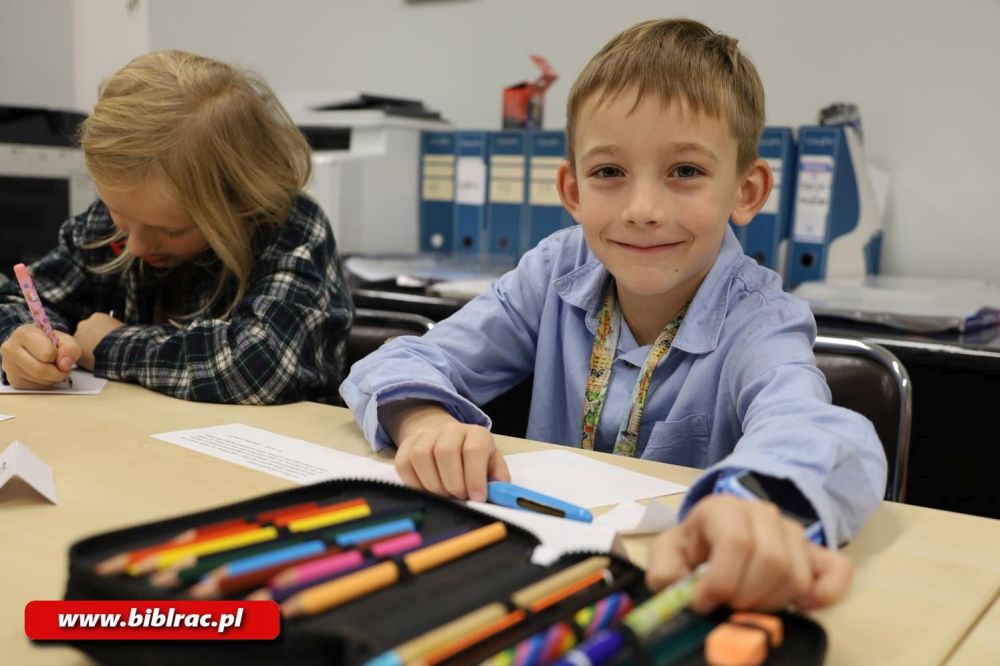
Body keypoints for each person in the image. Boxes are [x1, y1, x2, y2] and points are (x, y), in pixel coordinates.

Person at [341, 19, 885, 610]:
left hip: (675, 593)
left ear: (747, 191)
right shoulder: (555, 271)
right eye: (608, 173)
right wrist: (423, 421)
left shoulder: (761, 318)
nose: (643, 209)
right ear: (572, 192)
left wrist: (753, 501)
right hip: (542, 575)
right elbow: (406, 357)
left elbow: (823, 433)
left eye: (686, 171)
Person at [0, 50, 352, 404]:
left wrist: (109, 345)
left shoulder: (289, 228)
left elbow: (259, 366)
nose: (135, 245)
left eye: (172, 231)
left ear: (240, 202)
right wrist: (25, 343)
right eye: (118, 211)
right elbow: (18, 299)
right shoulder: (115, 222)